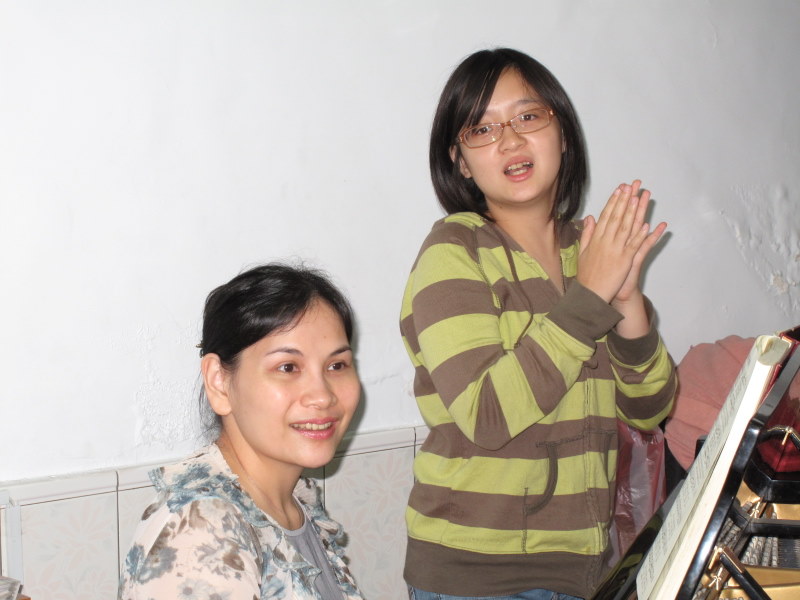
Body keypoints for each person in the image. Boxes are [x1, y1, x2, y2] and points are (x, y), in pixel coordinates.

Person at [399, 48, 677, 600]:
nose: (510, 140)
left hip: (582, 570)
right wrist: (590, 296)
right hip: (476, 576)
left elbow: (649, 408)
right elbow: (487, 414)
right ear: (460, 161)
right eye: (482, 129)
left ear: (562, 133)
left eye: (528, 116)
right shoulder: (452, 252)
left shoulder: (587, 252)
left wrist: (626, 298)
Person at [119, 263, 365, 599]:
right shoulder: (200, 533)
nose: (322, 396)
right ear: (219, 381)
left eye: (337, 365)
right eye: (288, 367)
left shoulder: (290, 504)